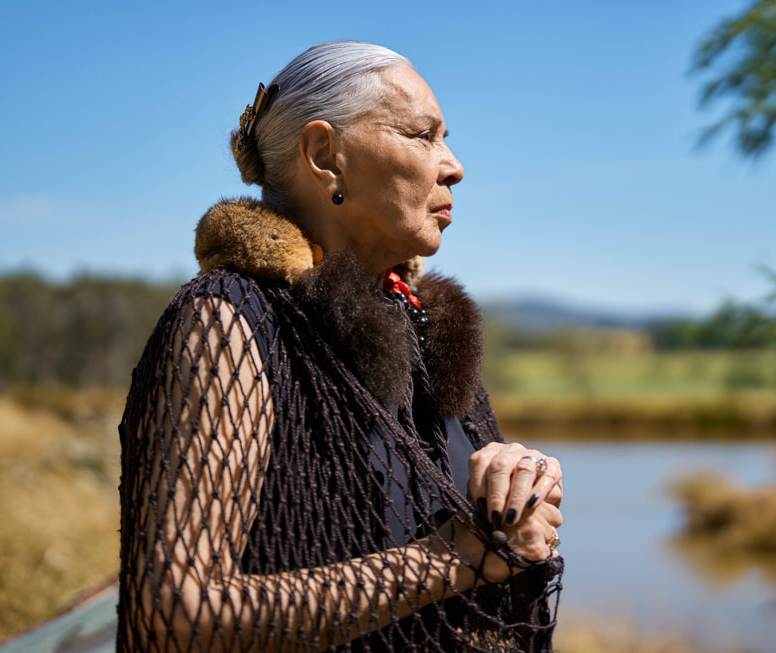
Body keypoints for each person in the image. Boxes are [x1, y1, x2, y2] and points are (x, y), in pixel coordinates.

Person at [117, 41, 564, 652]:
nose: (453, 165)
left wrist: (518, 488)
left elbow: (487, 538)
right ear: (326, 155)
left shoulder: (417, 319)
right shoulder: (229, 321)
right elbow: (175, 616)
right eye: (423, 135)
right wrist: (457, 559)